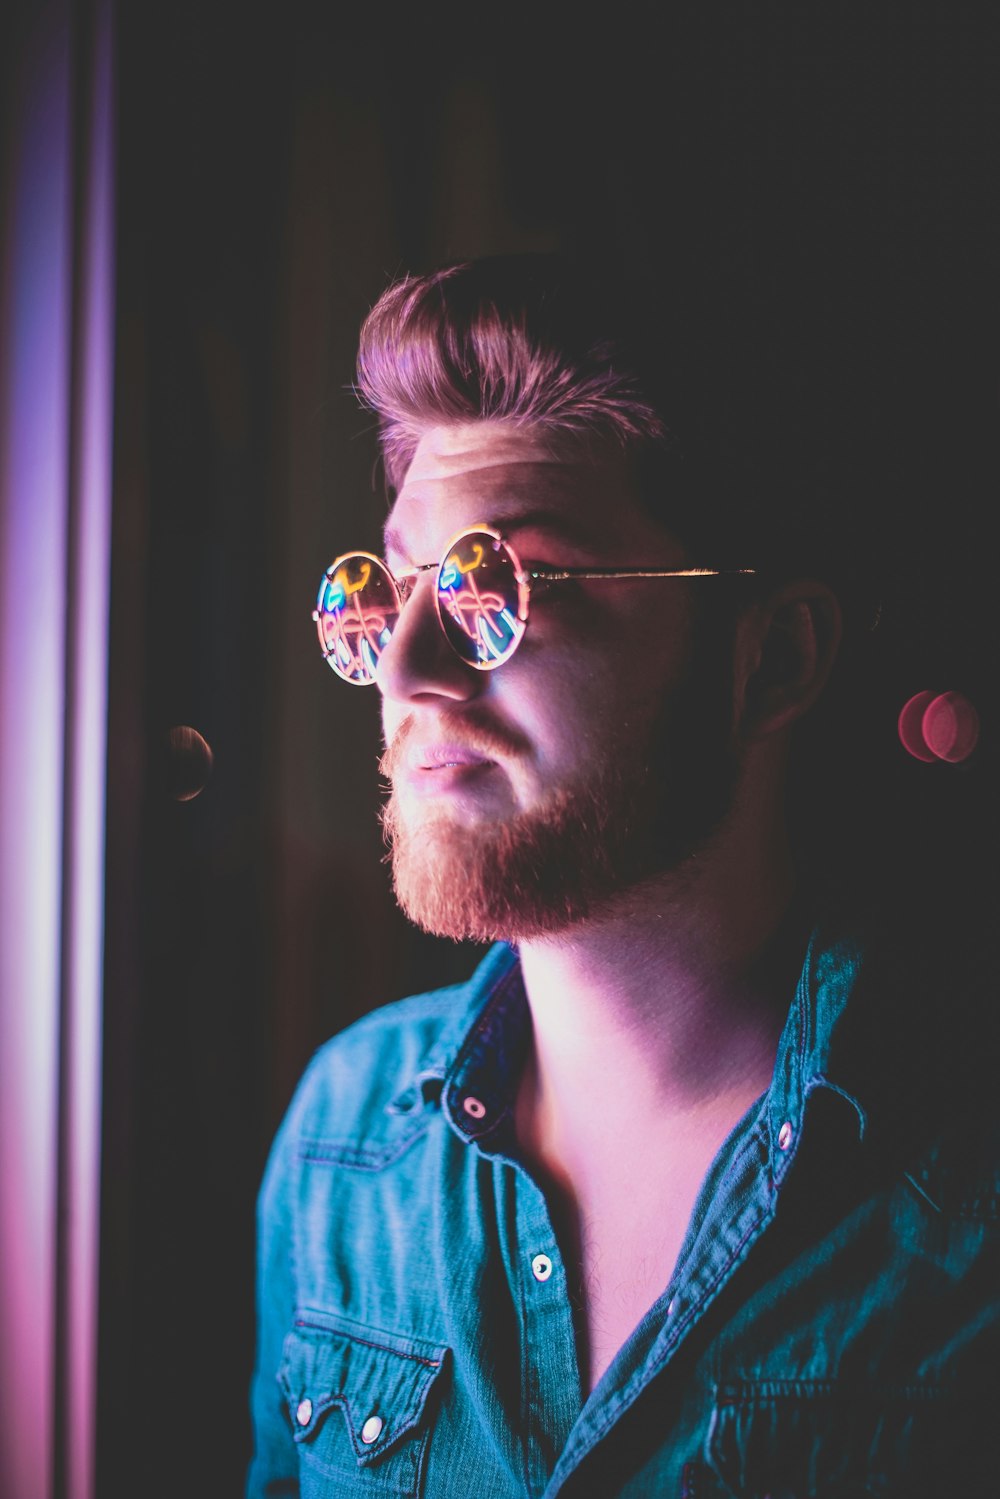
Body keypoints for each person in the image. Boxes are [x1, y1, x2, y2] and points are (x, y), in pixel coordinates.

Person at [247, 253, 997, 1497]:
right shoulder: (338, 1138)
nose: (408, 667)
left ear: (768, 661)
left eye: (502, 583)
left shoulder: (956, 1201)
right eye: (384, 586)